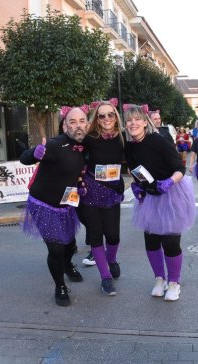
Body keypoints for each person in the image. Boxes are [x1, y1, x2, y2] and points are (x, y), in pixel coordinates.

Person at [123, 104, 196, 302]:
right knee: (151, 241)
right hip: (148, 196)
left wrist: (169, 182)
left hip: (171, 194)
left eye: (137, 119)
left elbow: (179, 167)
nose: (133, 123)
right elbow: (134, 170)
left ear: (145, 122)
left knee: (170, 241)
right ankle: (159, 279)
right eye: (129, 120)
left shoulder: (159, 140)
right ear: (125, 124)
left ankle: (174, 282)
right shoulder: (128, 146)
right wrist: (137, 186)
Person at [20, 107, 88, 306]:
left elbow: (75, 173)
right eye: (72, 122)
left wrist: (79, 188)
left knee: (70, 245)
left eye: (82, 121)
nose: (78, 125)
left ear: (87, 123)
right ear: (65, 125)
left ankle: (67, 266)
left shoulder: (85, 146)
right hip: (43, 204)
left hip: (66, 204)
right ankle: (59, 286)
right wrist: (35, 152)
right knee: (56, 249)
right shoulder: (56, 145)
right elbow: (25, 158)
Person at [80, 100, 125, 296]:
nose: (106, 118)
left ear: (116, 116)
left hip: (113, 192)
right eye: (102, 115)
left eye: (110, 114)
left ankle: (112, 259)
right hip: (91, 191)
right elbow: (75, 157)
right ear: (96, 119)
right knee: (96, 235)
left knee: (113, 235)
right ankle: (105, 277)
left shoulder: (123, 138)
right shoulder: (89, 138)